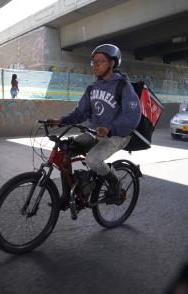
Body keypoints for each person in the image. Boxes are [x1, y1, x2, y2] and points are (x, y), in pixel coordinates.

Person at [48, 44, 141, 204]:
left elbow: (132, 116)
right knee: (64, 150)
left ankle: (114, 182)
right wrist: (61, 120)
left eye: (100, 61)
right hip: (94, 133)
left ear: (112, 64)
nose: (95, 65)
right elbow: (80, 113)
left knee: (92, 160)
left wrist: (110, 129)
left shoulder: (123, 87)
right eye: (93, 62)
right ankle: (68, 195)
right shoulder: (92, 88)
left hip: (117, 135)